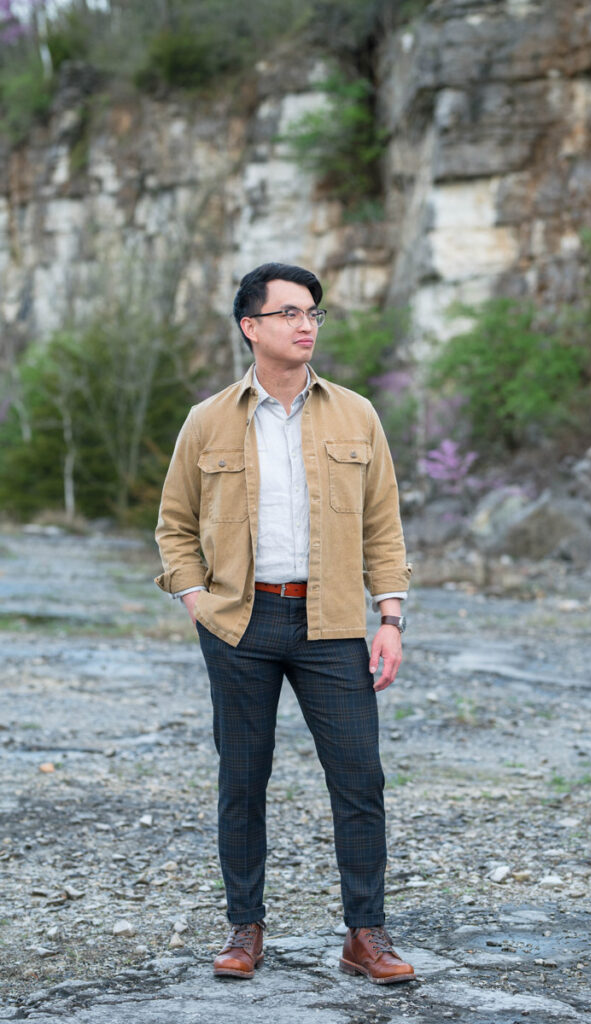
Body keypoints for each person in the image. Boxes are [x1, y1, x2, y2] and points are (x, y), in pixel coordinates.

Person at [154, 262, 414, 985]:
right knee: (243, 779)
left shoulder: (356, 414)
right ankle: (246, 929)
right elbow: (173, 527)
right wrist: (196, 601)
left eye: (314, 314)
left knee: (359, 777)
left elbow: (382, 527)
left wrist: (388, 617)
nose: (307, 325)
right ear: (251, 326)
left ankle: (365, 935)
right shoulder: (207, 420)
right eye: (290, 313)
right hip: (238, 622)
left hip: (332, 623)